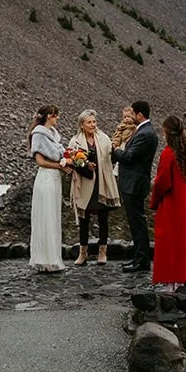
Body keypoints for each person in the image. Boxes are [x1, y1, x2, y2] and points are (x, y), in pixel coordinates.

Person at [67, 108, 122, 265]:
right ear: (82, 125)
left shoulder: (104, 138)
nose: (92, 125)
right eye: (89, 122)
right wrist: (84, 164)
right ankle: (82, 253)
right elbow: (72, 160)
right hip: (84, 182)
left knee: (103, 217)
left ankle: (102, 252)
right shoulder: (75, 141)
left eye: (94, 121)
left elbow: (110, 158)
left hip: (101, 182)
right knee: (84, 219)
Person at [150, 115, 186, 287]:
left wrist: (154, 199)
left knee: (168, 243)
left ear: (166, 132)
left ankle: (170, 281)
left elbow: (163, 182)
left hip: (171, 204)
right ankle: (182, 278)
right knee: (182, 241)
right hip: (185, 204)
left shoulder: (168, 154)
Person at [112, 100, 157, 272]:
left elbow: (130, 157)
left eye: (133, 114)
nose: (131, 117)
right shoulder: (144, 131)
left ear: (140, 115)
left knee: (137, 223)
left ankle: (142, 260)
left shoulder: (144, 133)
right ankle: (139, 258)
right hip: (134, 183)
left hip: (134, 183)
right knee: (136, 222)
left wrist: (115, 151)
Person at [27, 103, 69, 273]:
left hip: (54, 178)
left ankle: (52, 257)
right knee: (45, 215)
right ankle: (44, 258)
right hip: (46, 176)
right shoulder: (39, 134)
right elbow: (40, 161)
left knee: (52, 215)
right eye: (55, 115)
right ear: (49, 116)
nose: (57, 118)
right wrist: (60, 165)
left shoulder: (53, 135)